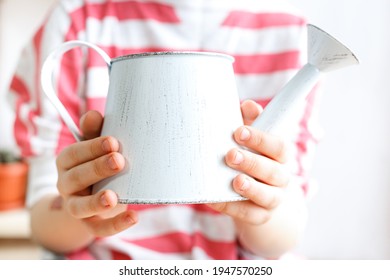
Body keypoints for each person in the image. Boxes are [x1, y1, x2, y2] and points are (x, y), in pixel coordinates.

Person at [9, 0, 321, 260]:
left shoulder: (290, 34)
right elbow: (45, 222)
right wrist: (84, 209)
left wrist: (263, 208)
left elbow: (285, 231)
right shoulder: (80, 18)